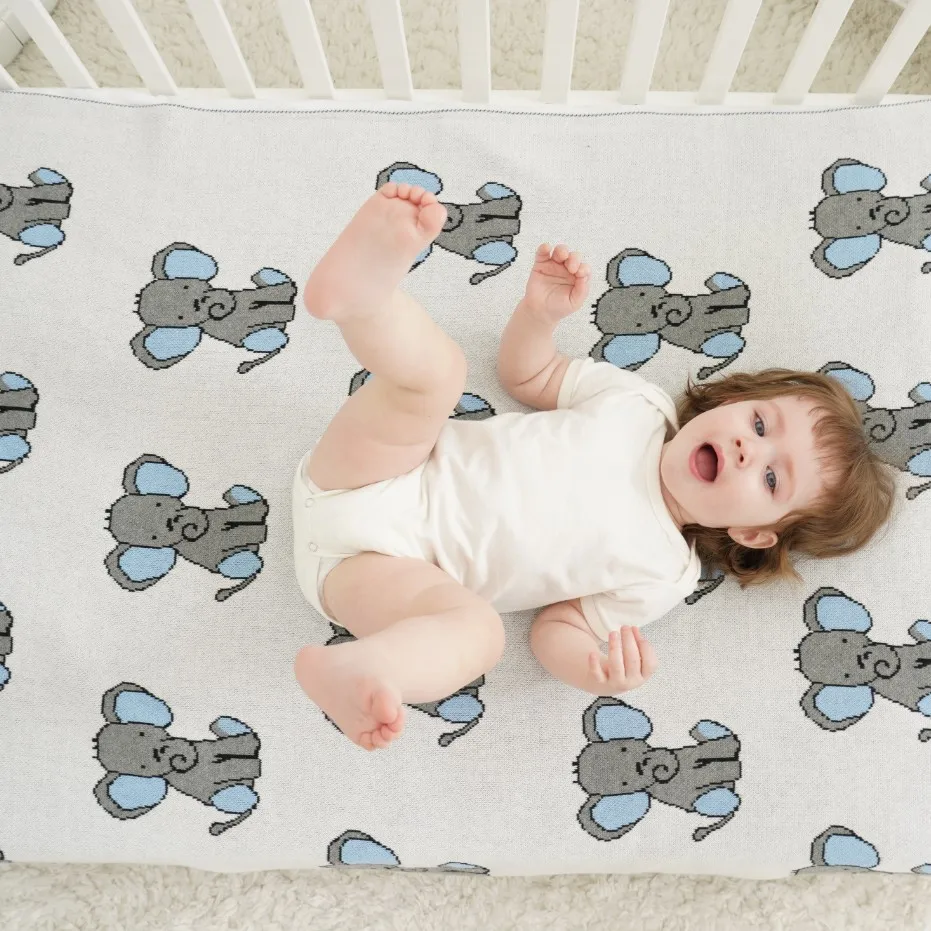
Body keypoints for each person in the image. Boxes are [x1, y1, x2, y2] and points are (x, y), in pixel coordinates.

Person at [291, 182, 897, 751]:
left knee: (479, 634)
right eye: (760, 425)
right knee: (438, 376)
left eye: (770, 478)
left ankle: (367, 669)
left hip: (379, 575)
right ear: (732, 400)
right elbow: (529, 374)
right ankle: (364, 300)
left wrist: (594, 670)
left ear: (754, 533)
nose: (748, 449)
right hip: (381, 467)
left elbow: (557, 628)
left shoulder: (664, 573)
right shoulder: (639, 406)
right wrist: (539, 316)